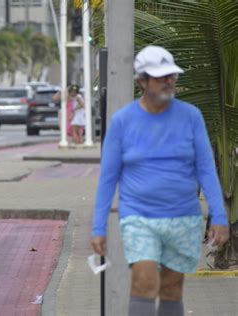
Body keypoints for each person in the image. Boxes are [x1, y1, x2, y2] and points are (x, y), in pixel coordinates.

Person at [90, 45, 229, 316]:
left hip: (184, 217)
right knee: (144, 281)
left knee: (172, 288)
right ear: (141, 81)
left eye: (171, 75)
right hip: (139, 217)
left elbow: (206, 169)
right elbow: (108, 177)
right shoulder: (122, 121)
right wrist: (98, 227)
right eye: (160, 76)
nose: (169, 80)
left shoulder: (191, 116)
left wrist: (219, 217)